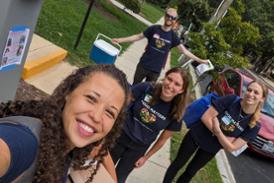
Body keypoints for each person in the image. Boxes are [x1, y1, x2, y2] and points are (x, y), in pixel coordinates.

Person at [0, 64, 130, 183]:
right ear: (68, 93)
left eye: (109, 113)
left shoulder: (68, 148)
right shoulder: (24, 141)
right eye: (91, 98)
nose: (96, 117)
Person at [163, 80, 268, 183]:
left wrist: (218, 131)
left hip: (211, 148)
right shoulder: (232, 100)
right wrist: (225, 138)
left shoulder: (254, 125)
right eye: (249, 90)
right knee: (178, 163)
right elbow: (206, 117)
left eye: (256, 92)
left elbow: (232, 148)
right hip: (197, 134)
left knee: (190, 172)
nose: (250, 94)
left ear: (262, 98)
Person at [109, 67, 190, 183]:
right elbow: (122, 105)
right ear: (165, 77)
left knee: (119, 179)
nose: (170, 85)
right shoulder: (147, 88)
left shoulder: (177, 112)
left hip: (137, 149)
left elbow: (162, 140)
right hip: (119, 137)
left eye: (177, 84)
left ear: (182, 90)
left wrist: (146, 157)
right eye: (169, 79)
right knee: (102, 169)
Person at [112, 8, 209, 85]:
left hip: (155, 71)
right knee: (135, 87)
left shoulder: (173, 37)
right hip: (143, 65)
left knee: (146, 92)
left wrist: (199, 60)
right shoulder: (154, 29)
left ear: (175, 20)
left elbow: (184, 51)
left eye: (173, 18)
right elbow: (138, 36)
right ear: (165, 16)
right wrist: (120, 40)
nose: (170, 19)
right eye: (168, 16)